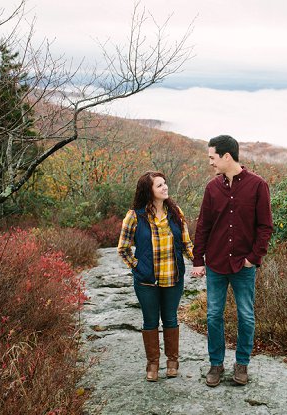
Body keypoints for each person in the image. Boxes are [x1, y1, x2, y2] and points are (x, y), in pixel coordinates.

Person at [190, 135, 274, 387]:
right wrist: (198, 259)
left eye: (212, 158)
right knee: (213, 315)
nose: (210, 163)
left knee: (246, 316)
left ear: (227, 156)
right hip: (216, 264)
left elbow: (265, 227)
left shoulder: (258, 185)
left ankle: (242, 364)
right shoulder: (212, 188)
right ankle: (216, 364)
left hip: (243, 265)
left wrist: (253, 258)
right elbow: (203, 225)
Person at [117, 171, 194, 382]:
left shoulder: (175, 212)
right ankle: (152, 363)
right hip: (146, 281)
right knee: (150, 321)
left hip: (173, 277)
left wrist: (198, 261)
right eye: (159, 185)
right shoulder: (135, 216)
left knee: (170, 318)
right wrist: (137, 267)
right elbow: (123, 248)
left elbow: (187, 244)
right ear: (148, 190)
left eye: (165, 183)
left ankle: (172, 361)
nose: (165, 188)